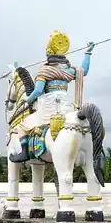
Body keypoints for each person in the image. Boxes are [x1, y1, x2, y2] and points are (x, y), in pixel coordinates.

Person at [9, 30, 95, 163]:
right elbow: (83, 70)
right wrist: (88, 53)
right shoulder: (69, 71)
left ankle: (25, 152)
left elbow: (37, 91)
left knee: (22, 125)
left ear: (48, 54)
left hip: (48, 107)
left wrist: (28, 99)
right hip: (66, 108)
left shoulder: (44, 70)